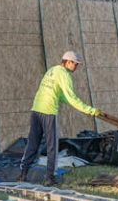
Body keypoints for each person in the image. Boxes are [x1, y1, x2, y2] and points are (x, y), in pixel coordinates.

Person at [18, 51, 102, 186]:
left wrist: (76, 105)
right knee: (52, 146)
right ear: (67, 62)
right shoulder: (64, 75)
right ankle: (49, 178)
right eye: (75, 64)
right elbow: (71, 97)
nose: (76, 67)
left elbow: (61, 96)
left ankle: (22, 174)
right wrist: (90, 110)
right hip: (48, 112)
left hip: (36, 110)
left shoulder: (52, 70)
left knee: (32, 144)